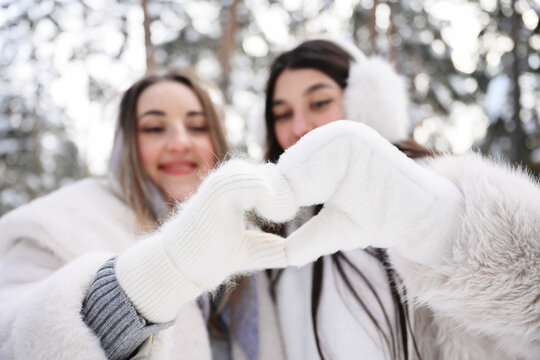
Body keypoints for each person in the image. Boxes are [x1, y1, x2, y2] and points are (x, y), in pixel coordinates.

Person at [261, 38, 540, 360]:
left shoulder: (439, 193)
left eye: (320, 102)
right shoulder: (279, 236)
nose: (298, 127)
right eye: (282, 114)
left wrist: (442, 230)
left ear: (367, 103)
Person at [0, 70, 300, 360]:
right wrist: (145, 284)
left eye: (197, 126)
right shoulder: (60, 220)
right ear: (126, 143)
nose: (180, 142)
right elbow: (11, 337)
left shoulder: (248, 229)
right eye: (154, 129)